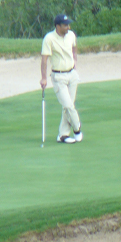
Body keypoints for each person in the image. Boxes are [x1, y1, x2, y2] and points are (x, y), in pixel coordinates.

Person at [41, 14, 82, 144]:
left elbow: (74, 49)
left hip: (72, 74)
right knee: (68, 106)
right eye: (65, 25)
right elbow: (44, 60)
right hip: (58, 76)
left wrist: (75, 63)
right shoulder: (49, 38)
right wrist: (43, 78)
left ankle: (63, 135)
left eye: (68, 25)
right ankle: (77, 129)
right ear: (58, 26)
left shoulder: (71, 35)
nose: (68, 27)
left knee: (67, 107)